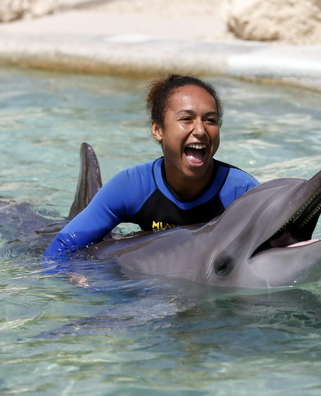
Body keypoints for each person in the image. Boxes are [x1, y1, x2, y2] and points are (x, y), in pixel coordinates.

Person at [44, 74, 259, 260]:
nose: (200, 130)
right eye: (186, 119)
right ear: (158, 130)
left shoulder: (241, 192)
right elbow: (59, 251)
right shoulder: (132, 186)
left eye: (210, 120)